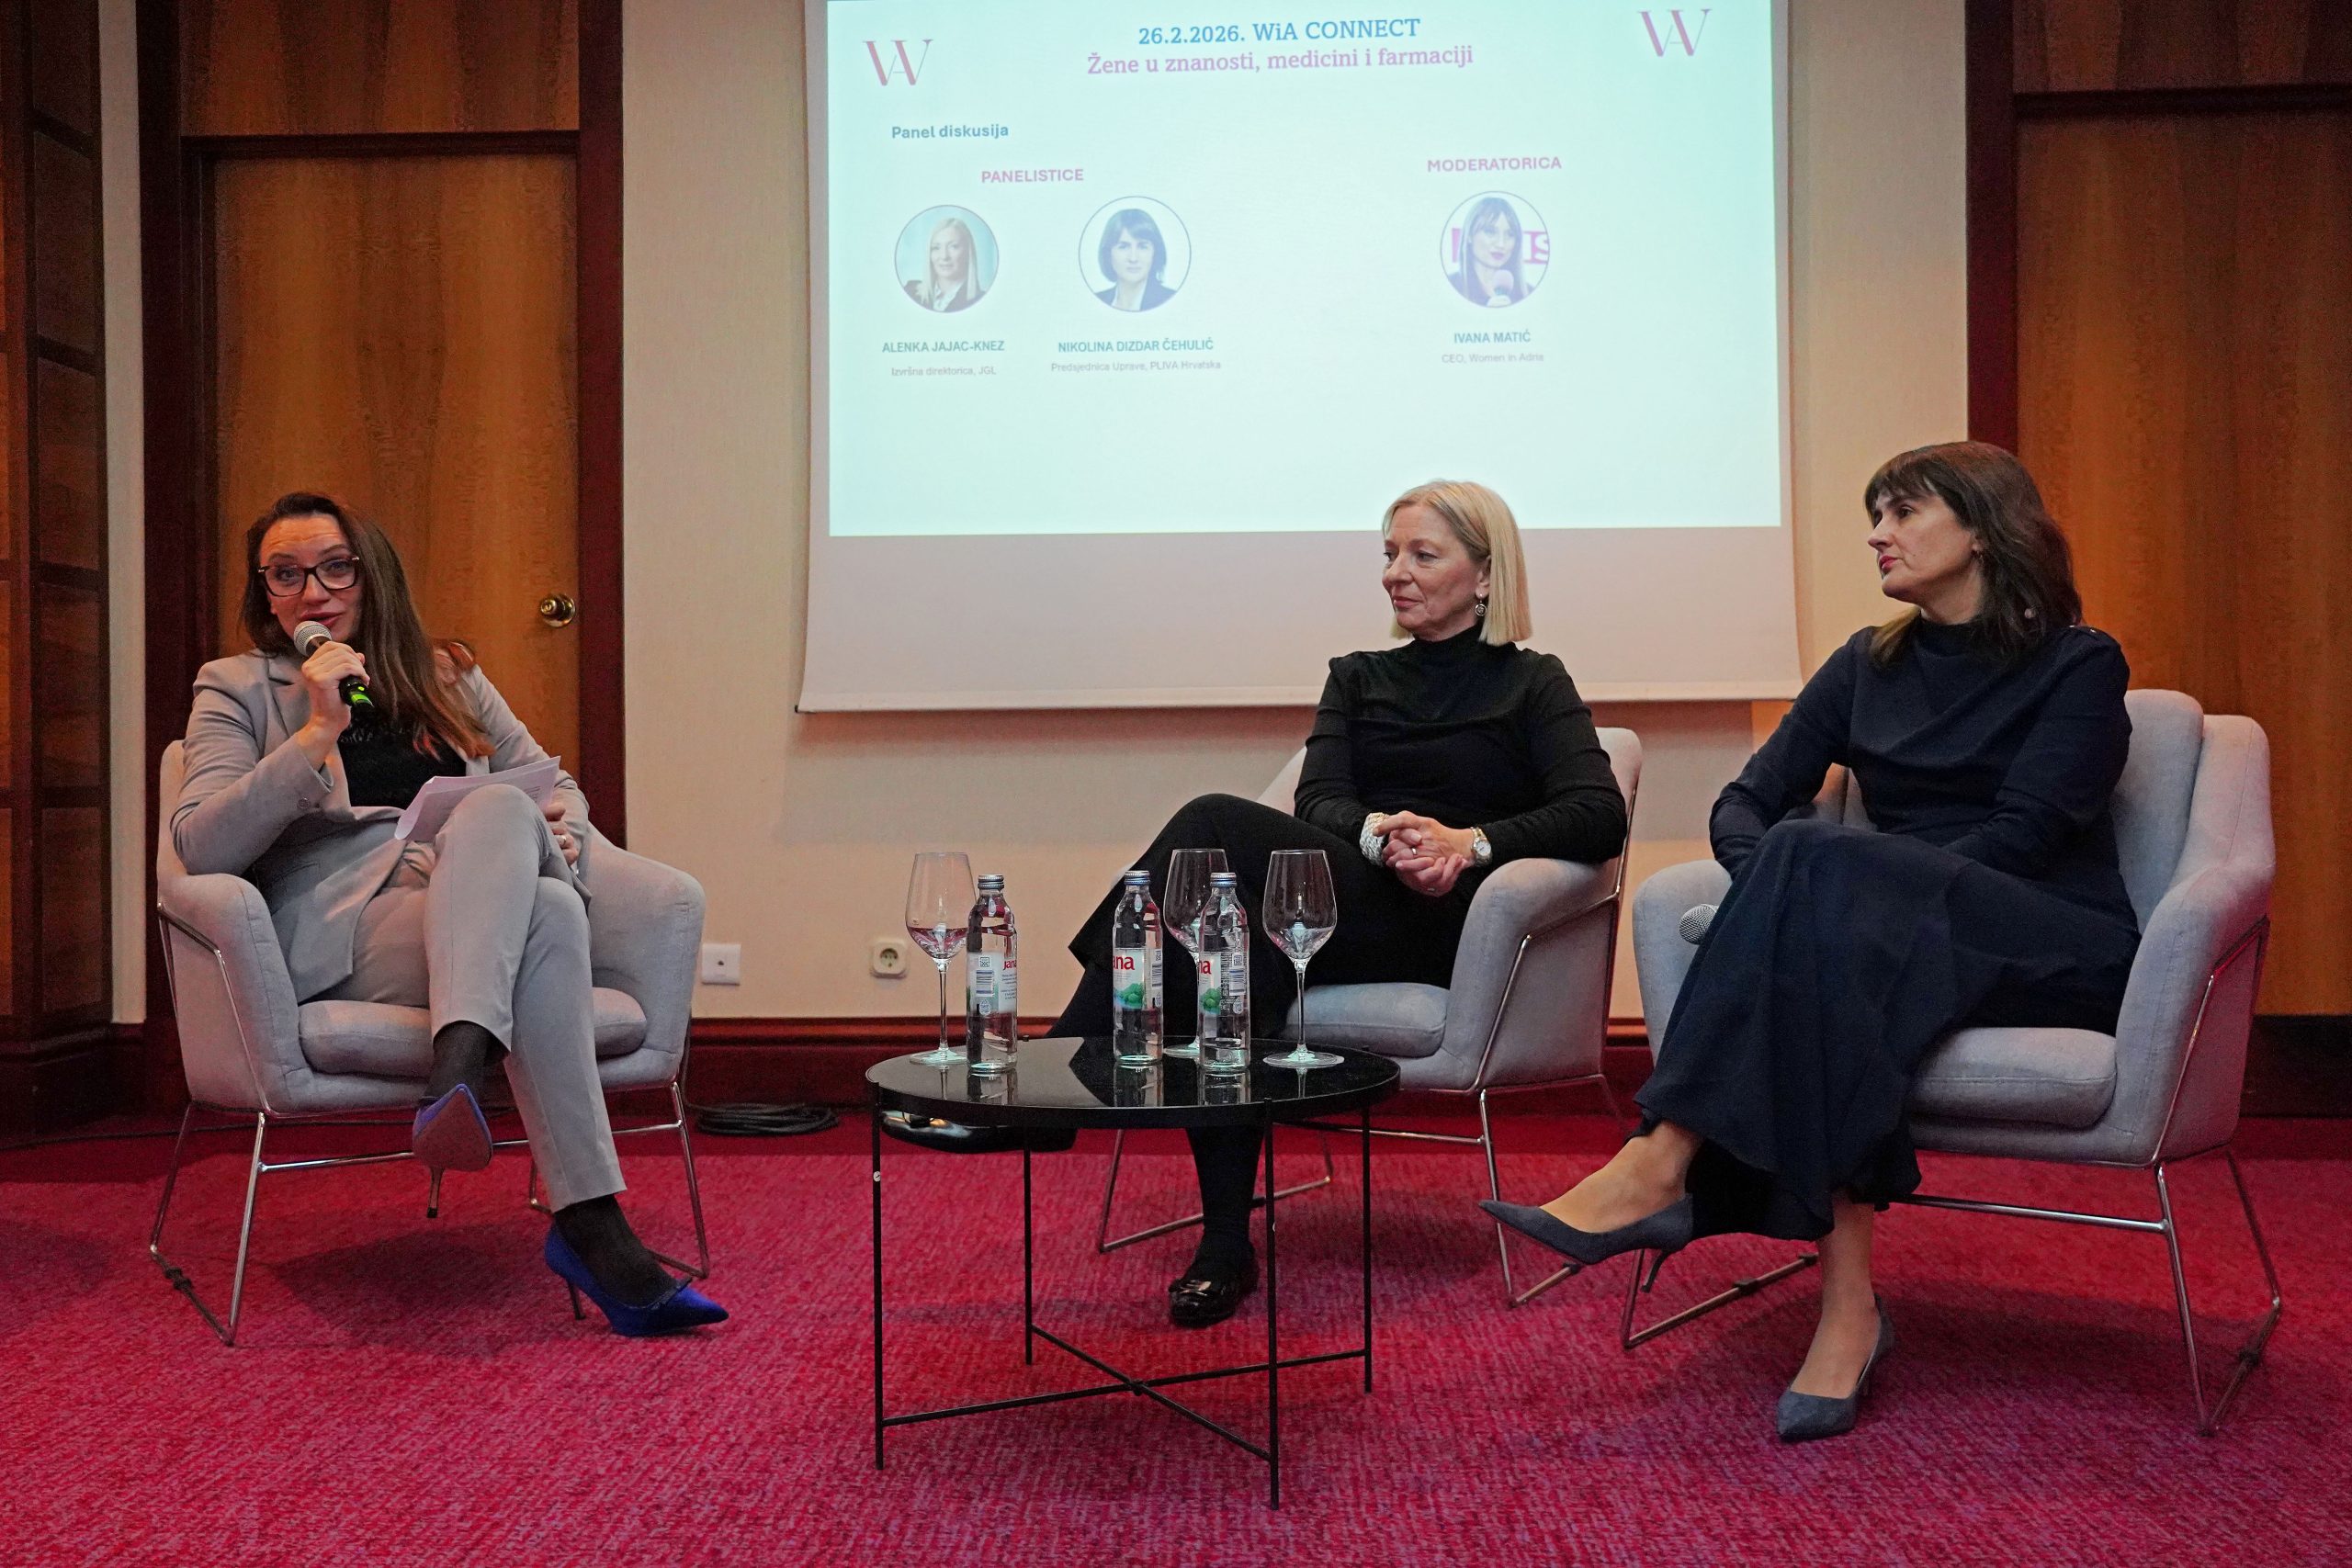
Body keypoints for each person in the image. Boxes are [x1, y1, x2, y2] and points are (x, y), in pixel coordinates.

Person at [1485, 442, 2140, 1441]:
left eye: (1903, 512)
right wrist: (1795, 895)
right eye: (1875, 514)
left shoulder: (2079, 663)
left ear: (1982, 528)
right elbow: (1744, 802)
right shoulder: (1868, 663)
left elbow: (2023, 840)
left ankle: (1663, 1159)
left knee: (1825, 883)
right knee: (1821, 923)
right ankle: (1846, 1311)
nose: (1877, 534)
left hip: (2044, 934)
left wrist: (1833, 887)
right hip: (1891, 939)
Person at [1050, 479, 1628, 1326]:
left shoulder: (1534, 683)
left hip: (1447, 926)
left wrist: (1465, 843)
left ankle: (1061, 1060)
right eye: (1389, 554)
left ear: (1485, 574)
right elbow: (1319, 800)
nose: (1395, 572)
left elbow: (1599, 812)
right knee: (1229, 949)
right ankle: (1225, 1243)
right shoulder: (1357, 677)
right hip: (1346, 902)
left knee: (1210, 820)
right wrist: (1382, 835)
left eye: (1422, 554)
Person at [173, 491, 728, 1337]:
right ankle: (588, 1223)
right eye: (285, 574)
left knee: (523, 845)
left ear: (372, 575)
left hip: (470, 907)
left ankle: (464, 1069)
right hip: (350, 929)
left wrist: (563, 831)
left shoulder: (450, 674)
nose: (312, 591)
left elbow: (555, 782)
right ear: (265, 592)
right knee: (538, 892)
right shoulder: (237, 687)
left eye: (334, 567)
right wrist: (315, 733)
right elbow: (201, 844)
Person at [1093, 208, 1178, 311]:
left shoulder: (1172, 300)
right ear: (1108, 253)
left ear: (1155, 253)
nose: (1133, 258)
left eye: (1142, 247)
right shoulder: (1096, 301)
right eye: (1123, 247)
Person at [1450, 196, 1527, 307]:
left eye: (1510, 234)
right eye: (1490, 232)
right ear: (1470, 235)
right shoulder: (1451, 286)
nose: (1501, 244)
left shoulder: (1527, 293)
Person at [904, 215, 986, 311]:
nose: (944, 256)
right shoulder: (910, 291)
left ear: (968, 252)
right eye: (936, 248)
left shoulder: (981, 301)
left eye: (954, 246)